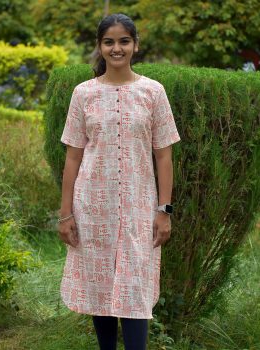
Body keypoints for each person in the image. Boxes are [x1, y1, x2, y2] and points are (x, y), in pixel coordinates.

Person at [58, 13, 180, 350]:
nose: (116, 48)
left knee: (135, 284)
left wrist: (164, 209)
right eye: (109, 42)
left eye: (123, 41)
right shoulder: (83, 94)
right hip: (93, 206)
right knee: (100, 284)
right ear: (99, 47)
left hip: (141, 207)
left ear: (135, 45)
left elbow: (164, 156)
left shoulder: (153, 92)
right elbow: (72, 156)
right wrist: (66, 213)